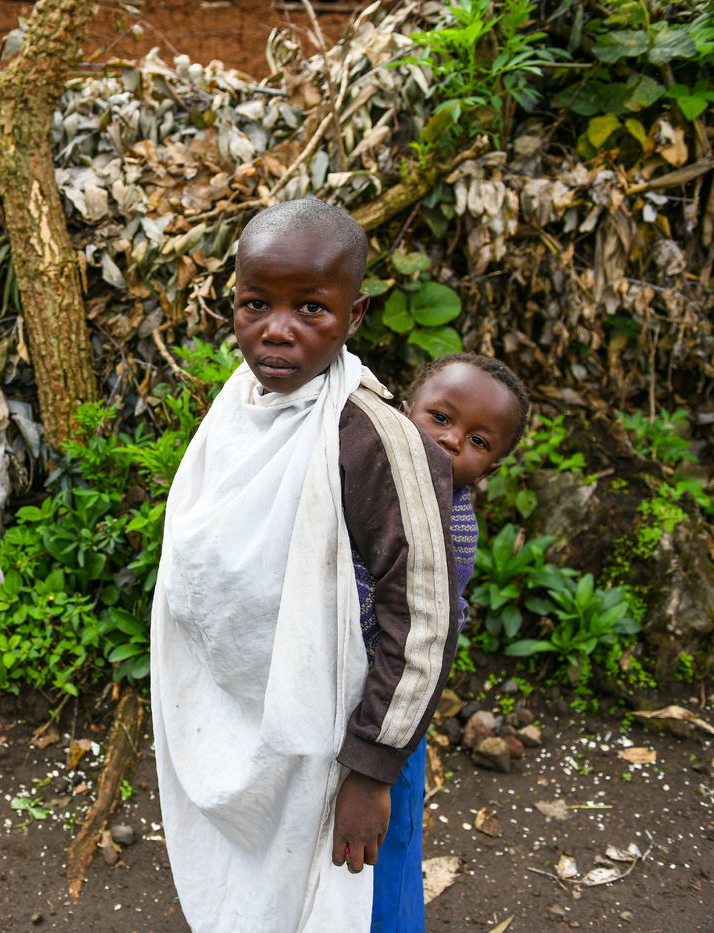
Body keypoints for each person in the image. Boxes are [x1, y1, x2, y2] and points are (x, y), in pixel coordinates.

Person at [151, 199, 462, 933]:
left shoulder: (374, 440)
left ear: (354, 317)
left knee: (361, 897)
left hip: (356, 732)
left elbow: (422, 615)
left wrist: (373, 767)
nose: (277, 329)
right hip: (253, 720)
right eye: (256, 303)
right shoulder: (240, 402)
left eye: (312, 309)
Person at [366, 352, 530, 933]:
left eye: (478, 440)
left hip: (389, 710)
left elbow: (427, 631)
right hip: (331, 700)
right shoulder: (359, 472)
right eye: (440, 416)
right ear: (400, 412)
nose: (451, 440)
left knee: (382, 846)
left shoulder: (451, 522)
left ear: (487, 471)